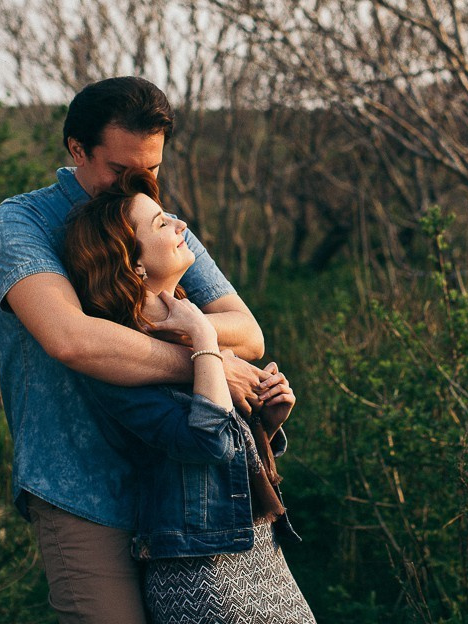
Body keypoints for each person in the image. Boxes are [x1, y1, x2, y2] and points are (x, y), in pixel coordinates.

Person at [0, 76, 274, 623]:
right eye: (120, 171)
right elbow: (72, 339)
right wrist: (205, 362)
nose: (137, 185)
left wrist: (212, 351)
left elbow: (247, 331)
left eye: (151, 171)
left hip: (175, 492)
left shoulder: (156, 224)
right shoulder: (22, 223)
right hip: (81, 489)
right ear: (77, 150)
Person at [62, 167, 315, 623]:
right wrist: (203, 339)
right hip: (199, 570)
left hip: (257, 550)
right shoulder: (121, 358)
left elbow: (226, 444)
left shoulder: (190, 325)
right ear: (133, 262)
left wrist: (267, 420)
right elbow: (207, 443)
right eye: (161, 223)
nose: (181, 226)